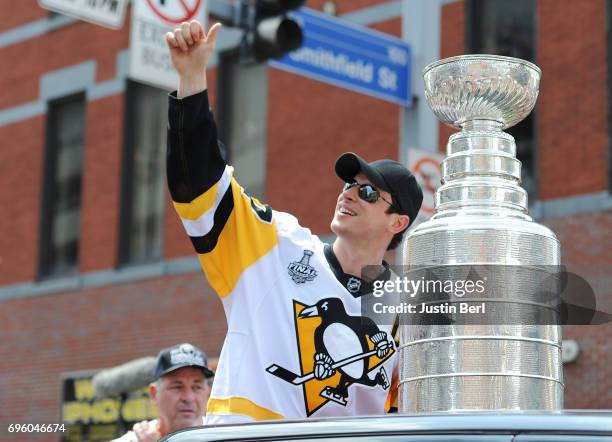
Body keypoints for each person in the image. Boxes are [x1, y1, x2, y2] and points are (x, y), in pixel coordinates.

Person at [164, 20, 423, 424]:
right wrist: (192, 80)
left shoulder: (405, 310)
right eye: (348, 184)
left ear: (398, 222)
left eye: (369, 192)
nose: (349, 193)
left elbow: (404, 413)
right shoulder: (275, 245)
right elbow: (200, 187)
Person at [111, 343, 213, 442]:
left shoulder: (223, 435)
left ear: (208, 393)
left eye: (197, 387)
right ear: (154, 394)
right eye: (177, 387)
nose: (188, 397)